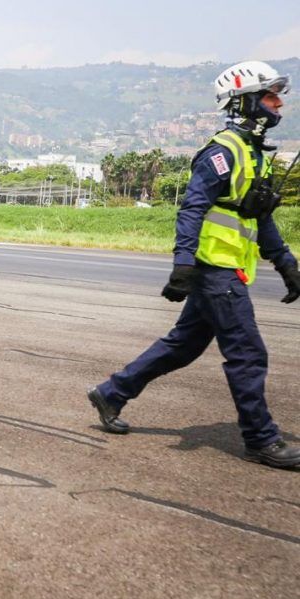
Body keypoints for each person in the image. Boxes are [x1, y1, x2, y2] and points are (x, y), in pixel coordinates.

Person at [88, 61, 300, 470]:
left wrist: (286, 263)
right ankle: (261, 439)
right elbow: (192, 210)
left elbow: (256, 216)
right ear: (246, 102)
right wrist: (183, 264)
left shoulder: (255, 154)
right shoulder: (221, 152)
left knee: (183, 345)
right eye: (271, 96)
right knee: (247, 353)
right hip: (214, 269)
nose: (278, 105)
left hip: (228, 267)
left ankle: (111, 392)